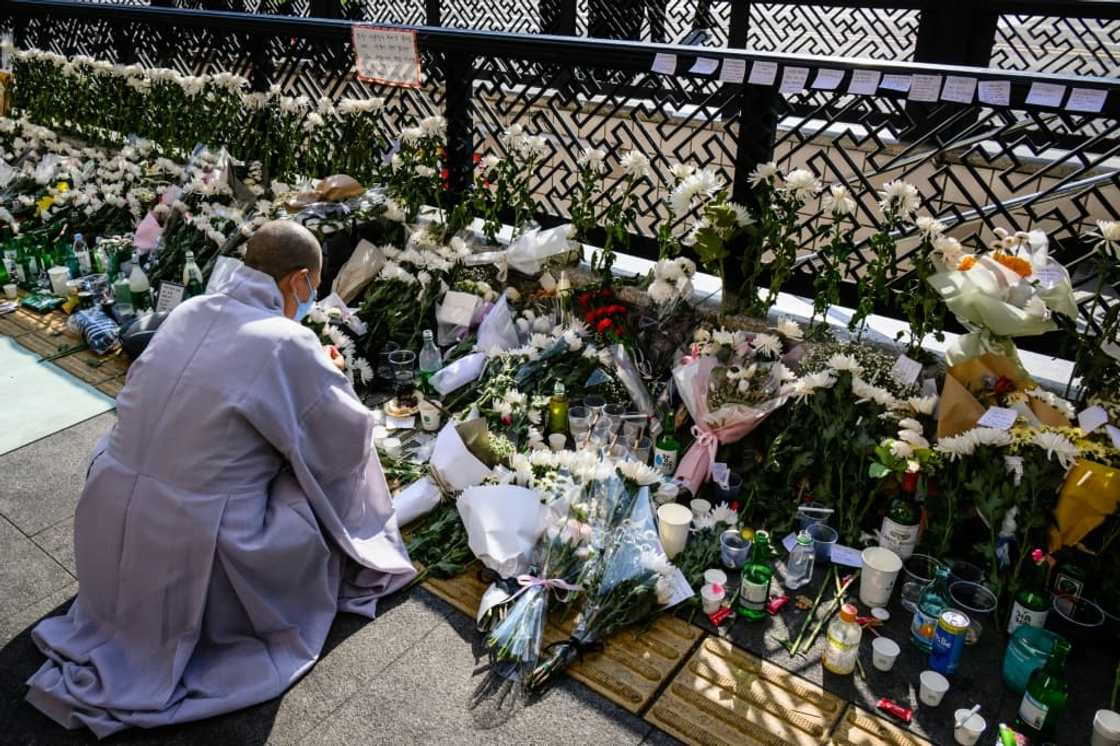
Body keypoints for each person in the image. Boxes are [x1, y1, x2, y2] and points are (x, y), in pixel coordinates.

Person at [25, 221, 417, 738]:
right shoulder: (286, 340)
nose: (311, 300)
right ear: (299, 281)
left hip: (107, 509)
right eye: (314, 290)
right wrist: (334, 375)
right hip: (193, 541)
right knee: (311, 476)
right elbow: (339, 438)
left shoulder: (190, 309)